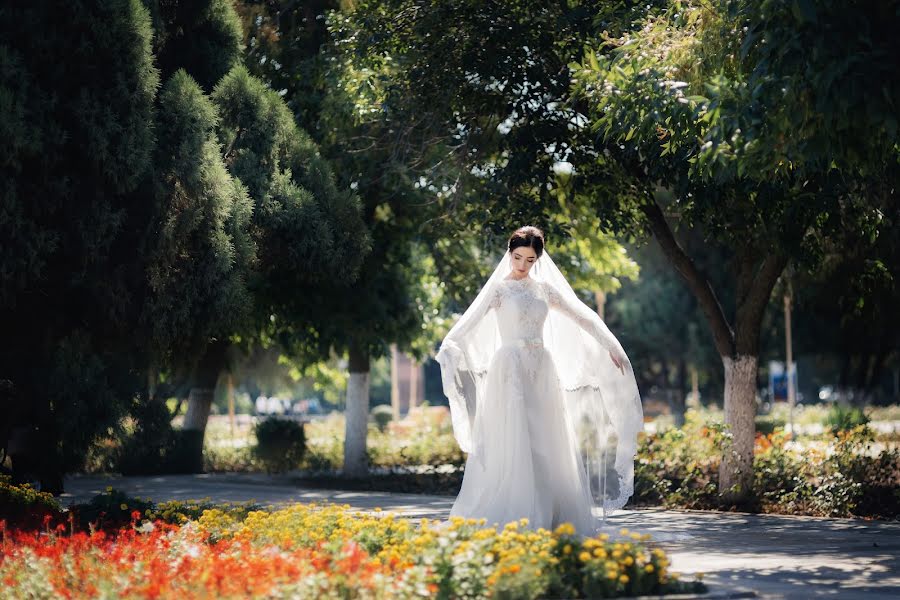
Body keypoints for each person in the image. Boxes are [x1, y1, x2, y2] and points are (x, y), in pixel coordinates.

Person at [435, 226, 643, 536]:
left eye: (529, 260)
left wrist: (611, 346)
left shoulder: (543, 290)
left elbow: (582, 316)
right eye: (517, 257)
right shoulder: (498, 291)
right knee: (515, 438)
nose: (521, 265)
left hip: (542, 369)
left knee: (547, 441)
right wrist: (449, 346)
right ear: (509, 254)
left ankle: (550, 512)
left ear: (538, 259)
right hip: (509, 371)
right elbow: (468, 322)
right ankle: (517, 511)